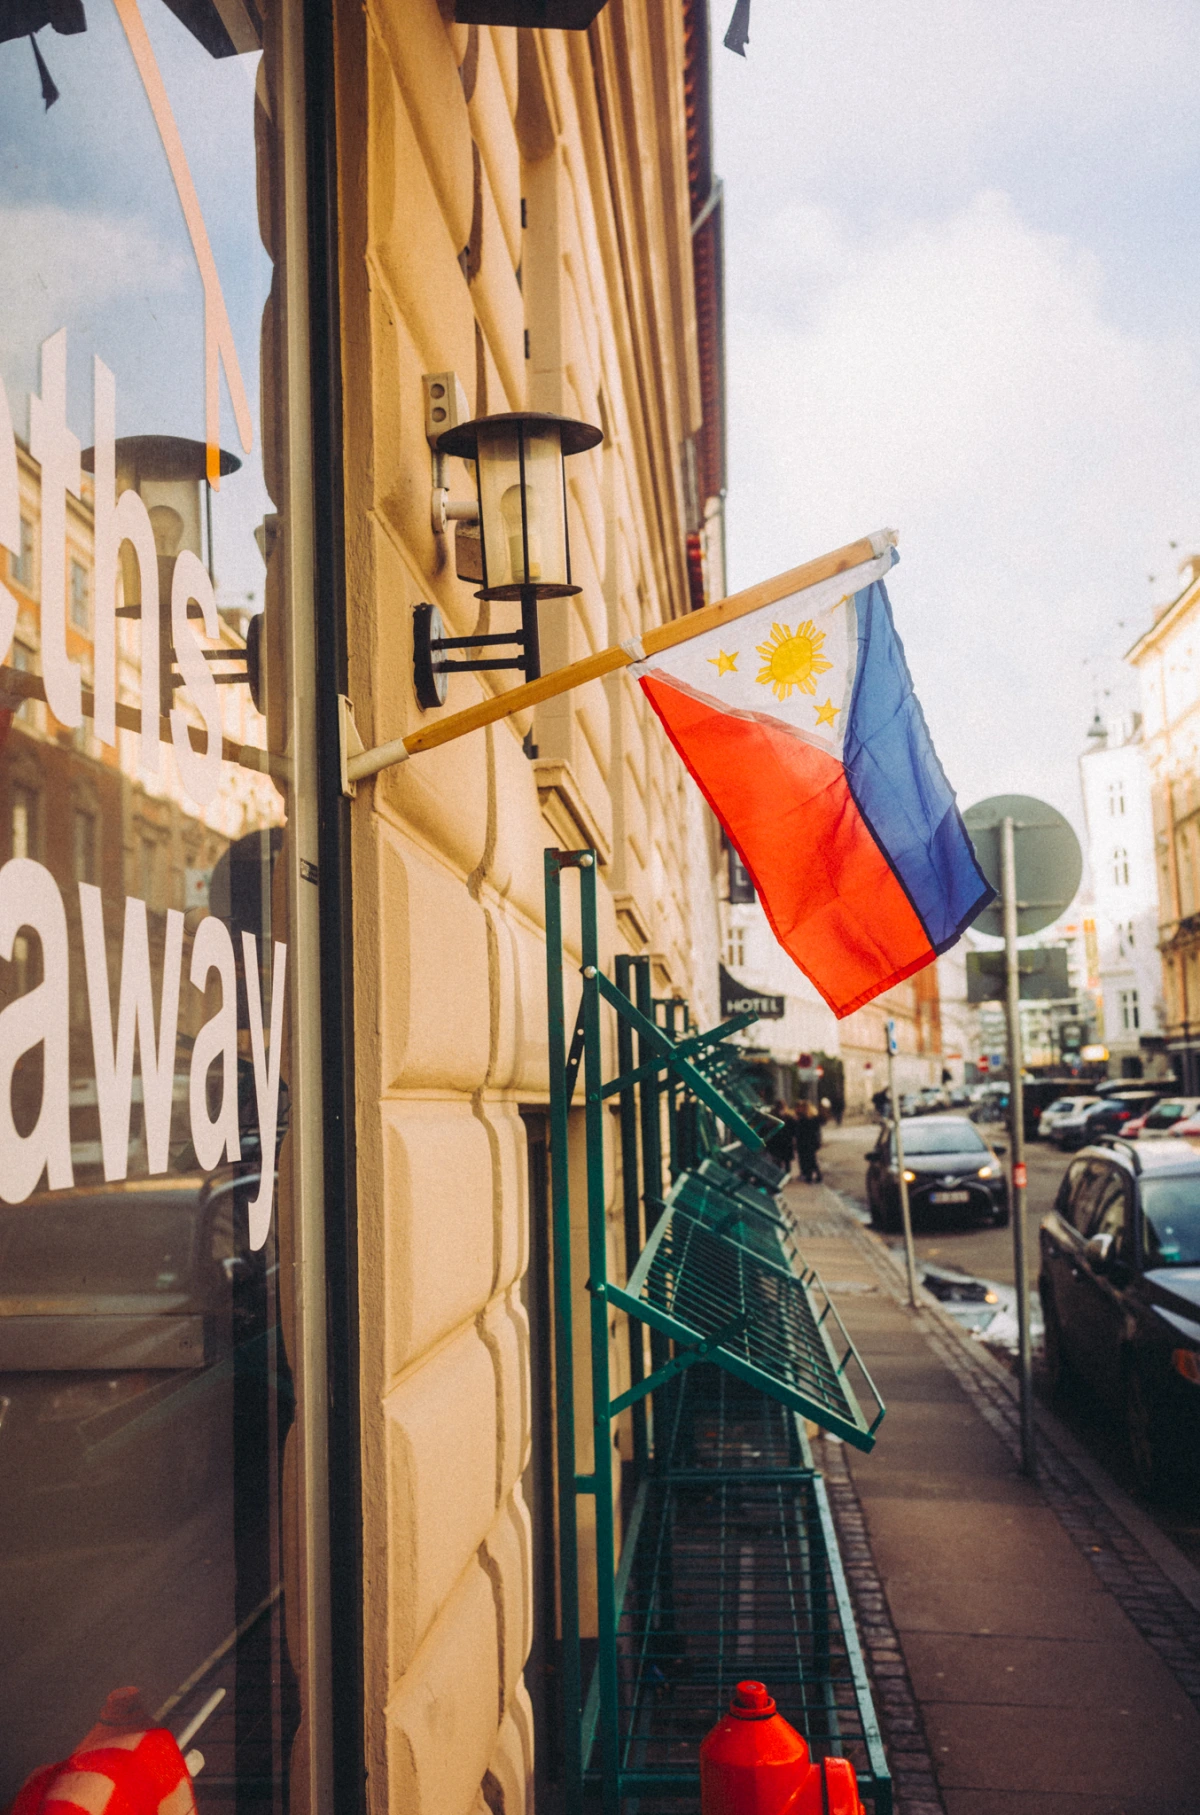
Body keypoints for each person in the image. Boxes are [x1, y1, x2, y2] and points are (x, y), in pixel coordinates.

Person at [793, 1099, 823, 1183]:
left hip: (807, 1142)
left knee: (809, 1159)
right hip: (809, 1142)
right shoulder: (811, 1117)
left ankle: (812, 1176)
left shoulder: (805, 1118)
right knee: (810, 1160)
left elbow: (801, 1131)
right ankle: (814, 1176)